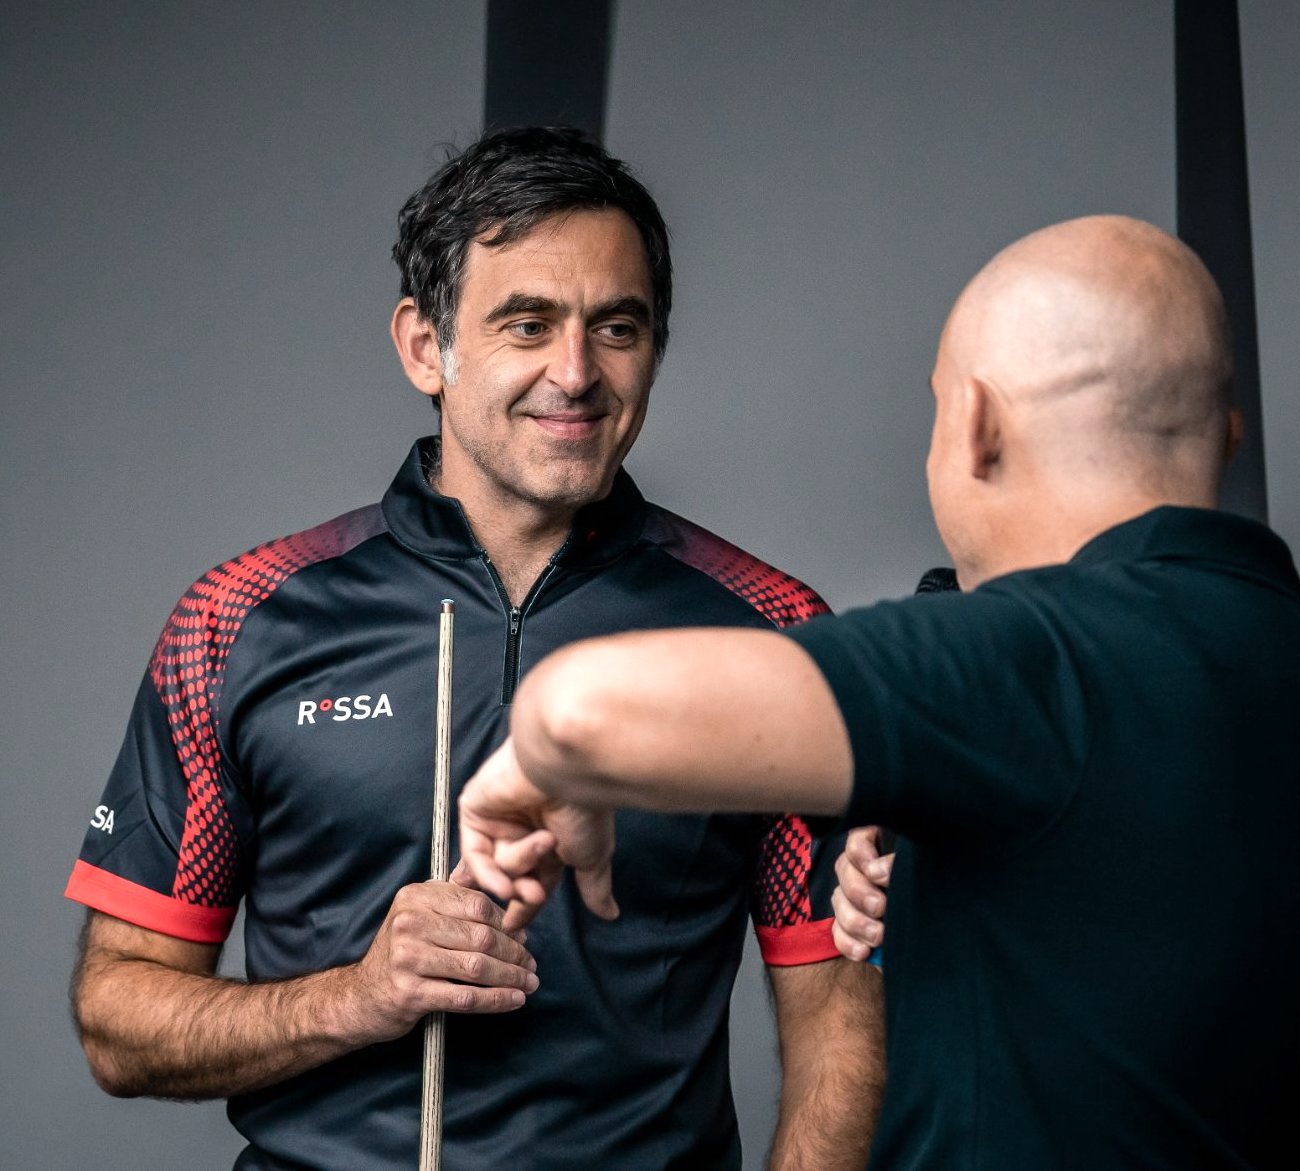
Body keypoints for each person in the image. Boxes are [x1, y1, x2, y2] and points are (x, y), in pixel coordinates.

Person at [456, 215, 1300, 1169]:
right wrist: (940, 900)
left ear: (975, 425)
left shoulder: (1031, 656)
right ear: (1227, 434)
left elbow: (581, 710)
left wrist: (548, 760)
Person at [66, 126, 882, 1171]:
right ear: (425, 346)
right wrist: (353, 998)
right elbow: (118, 1020)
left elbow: (839, 1017)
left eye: (617, 327)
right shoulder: (238, 620)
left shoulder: (772, 632)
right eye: (527, 324)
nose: (575, 373)